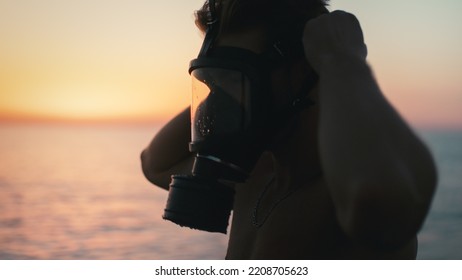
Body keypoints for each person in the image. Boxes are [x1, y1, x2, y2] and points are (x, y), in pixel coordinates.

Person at [141, 0, 437, 259]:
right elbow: (155, 164)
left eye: (237, 81)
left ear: (308, 68)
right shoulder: (255, 176)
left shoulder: (343, 194)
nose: (218, 102)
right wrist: (223, 75)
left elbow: (378, 202)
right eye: (213, 84)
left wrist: (342, 59)